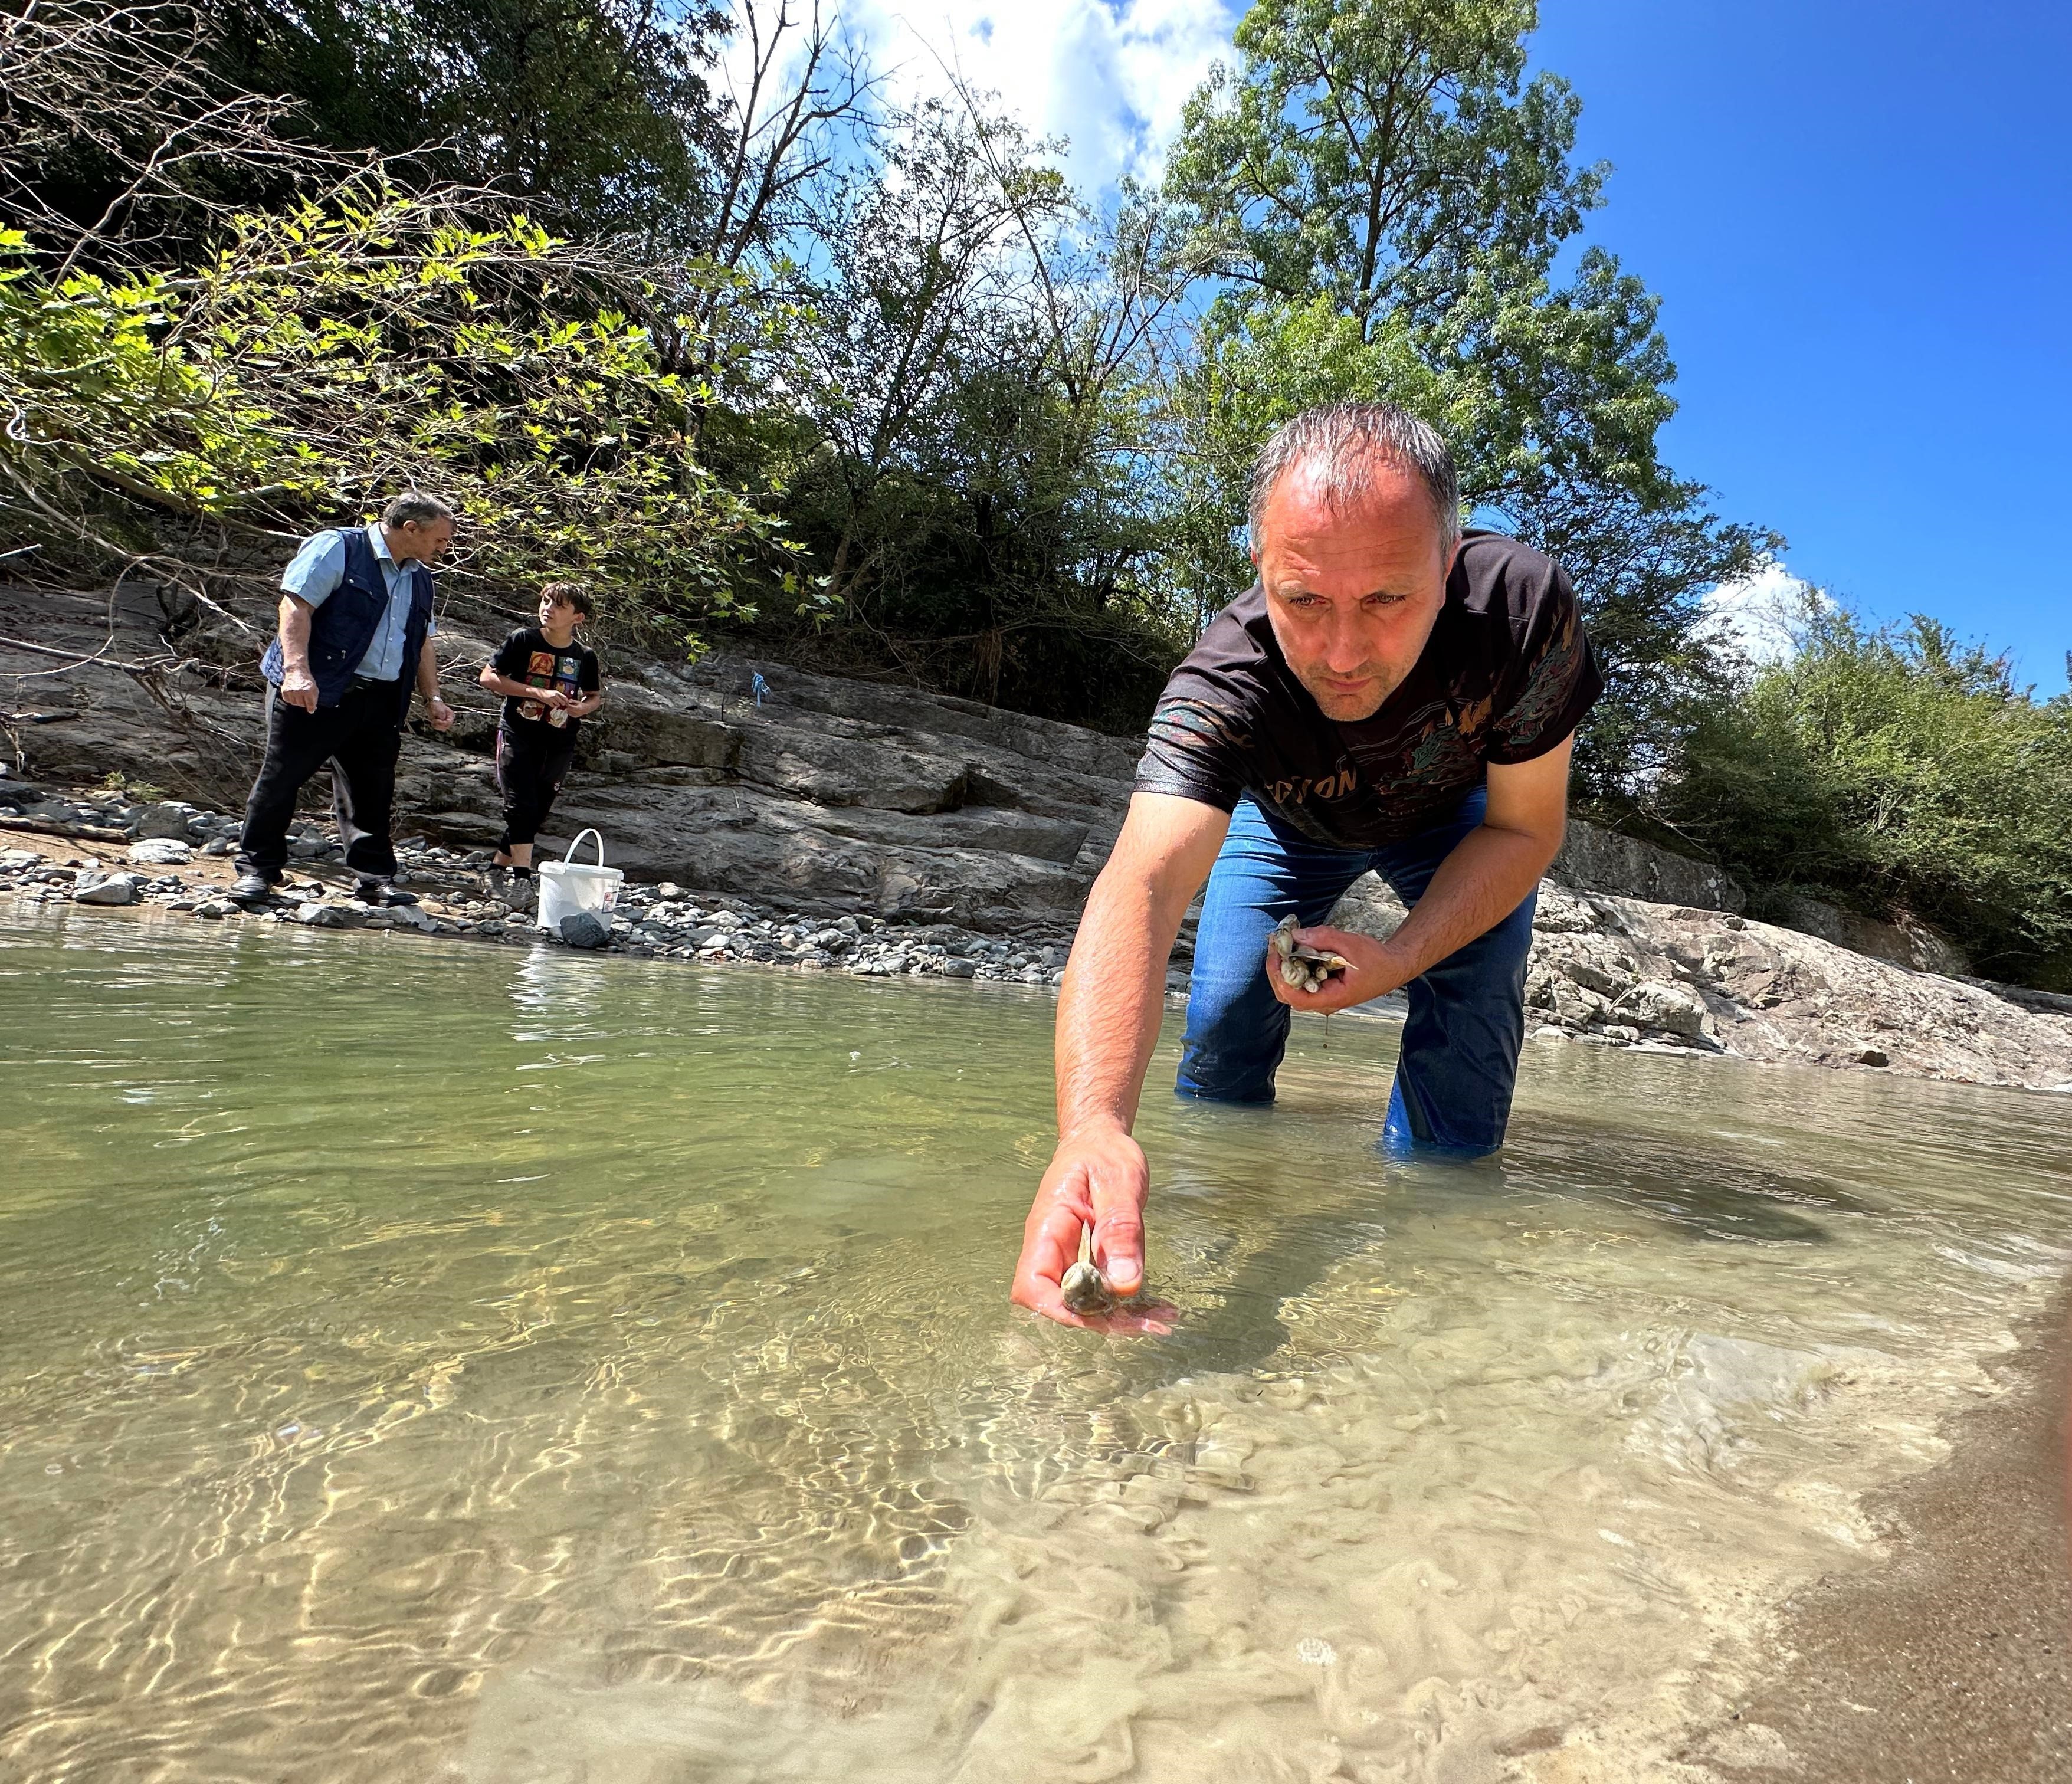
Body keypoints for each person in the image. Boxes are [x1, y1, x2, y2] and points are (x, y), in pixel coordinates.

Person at [1010, 402, 1603, 1330]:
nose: (1343, 653)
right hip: (1286, 825)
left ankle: (1430, 1285)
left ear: (1449, 562)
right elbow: (1144, 883)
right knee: (1223, 1025)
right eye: (1304, 600)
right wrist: (1093, 1128)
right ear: (1260, 563)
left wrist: (1400, 957)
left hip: (1461, 825)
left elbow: (1525, 830)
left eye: (1388, 600)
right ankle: (1222, 1220)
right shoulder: (1223, 683)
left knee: (1469, 1029)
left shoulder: (1523, 612)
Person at [230, 493, 456, 904]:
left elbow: (421, 640)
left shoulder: (420, 576)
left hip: (382, 697)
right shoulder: (338, 547)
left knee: (373, 789)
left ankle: (374, 879)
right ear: (411, 529)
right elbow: (295, 606)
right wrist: (297, 672)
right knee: (282, 778)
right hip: (318, 687)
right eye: (440, 539)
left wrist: (433, 697)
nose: (445, 548)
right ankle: (257, 871)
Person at [477, 582, 604, 884]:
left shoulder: (585, 656)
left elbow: (594, 697)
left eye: (559, 605)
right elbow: (488, 677)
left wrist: (582, 709)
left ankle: (495, 871)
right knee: (520, 805)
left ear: (578, 617)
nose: (548, 609)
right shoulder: (523, 639)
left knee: (536, 811)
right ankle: (522, 878)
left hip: (560, 742)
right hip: (517, 733)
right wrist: (536, 693)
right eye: (546, 601)